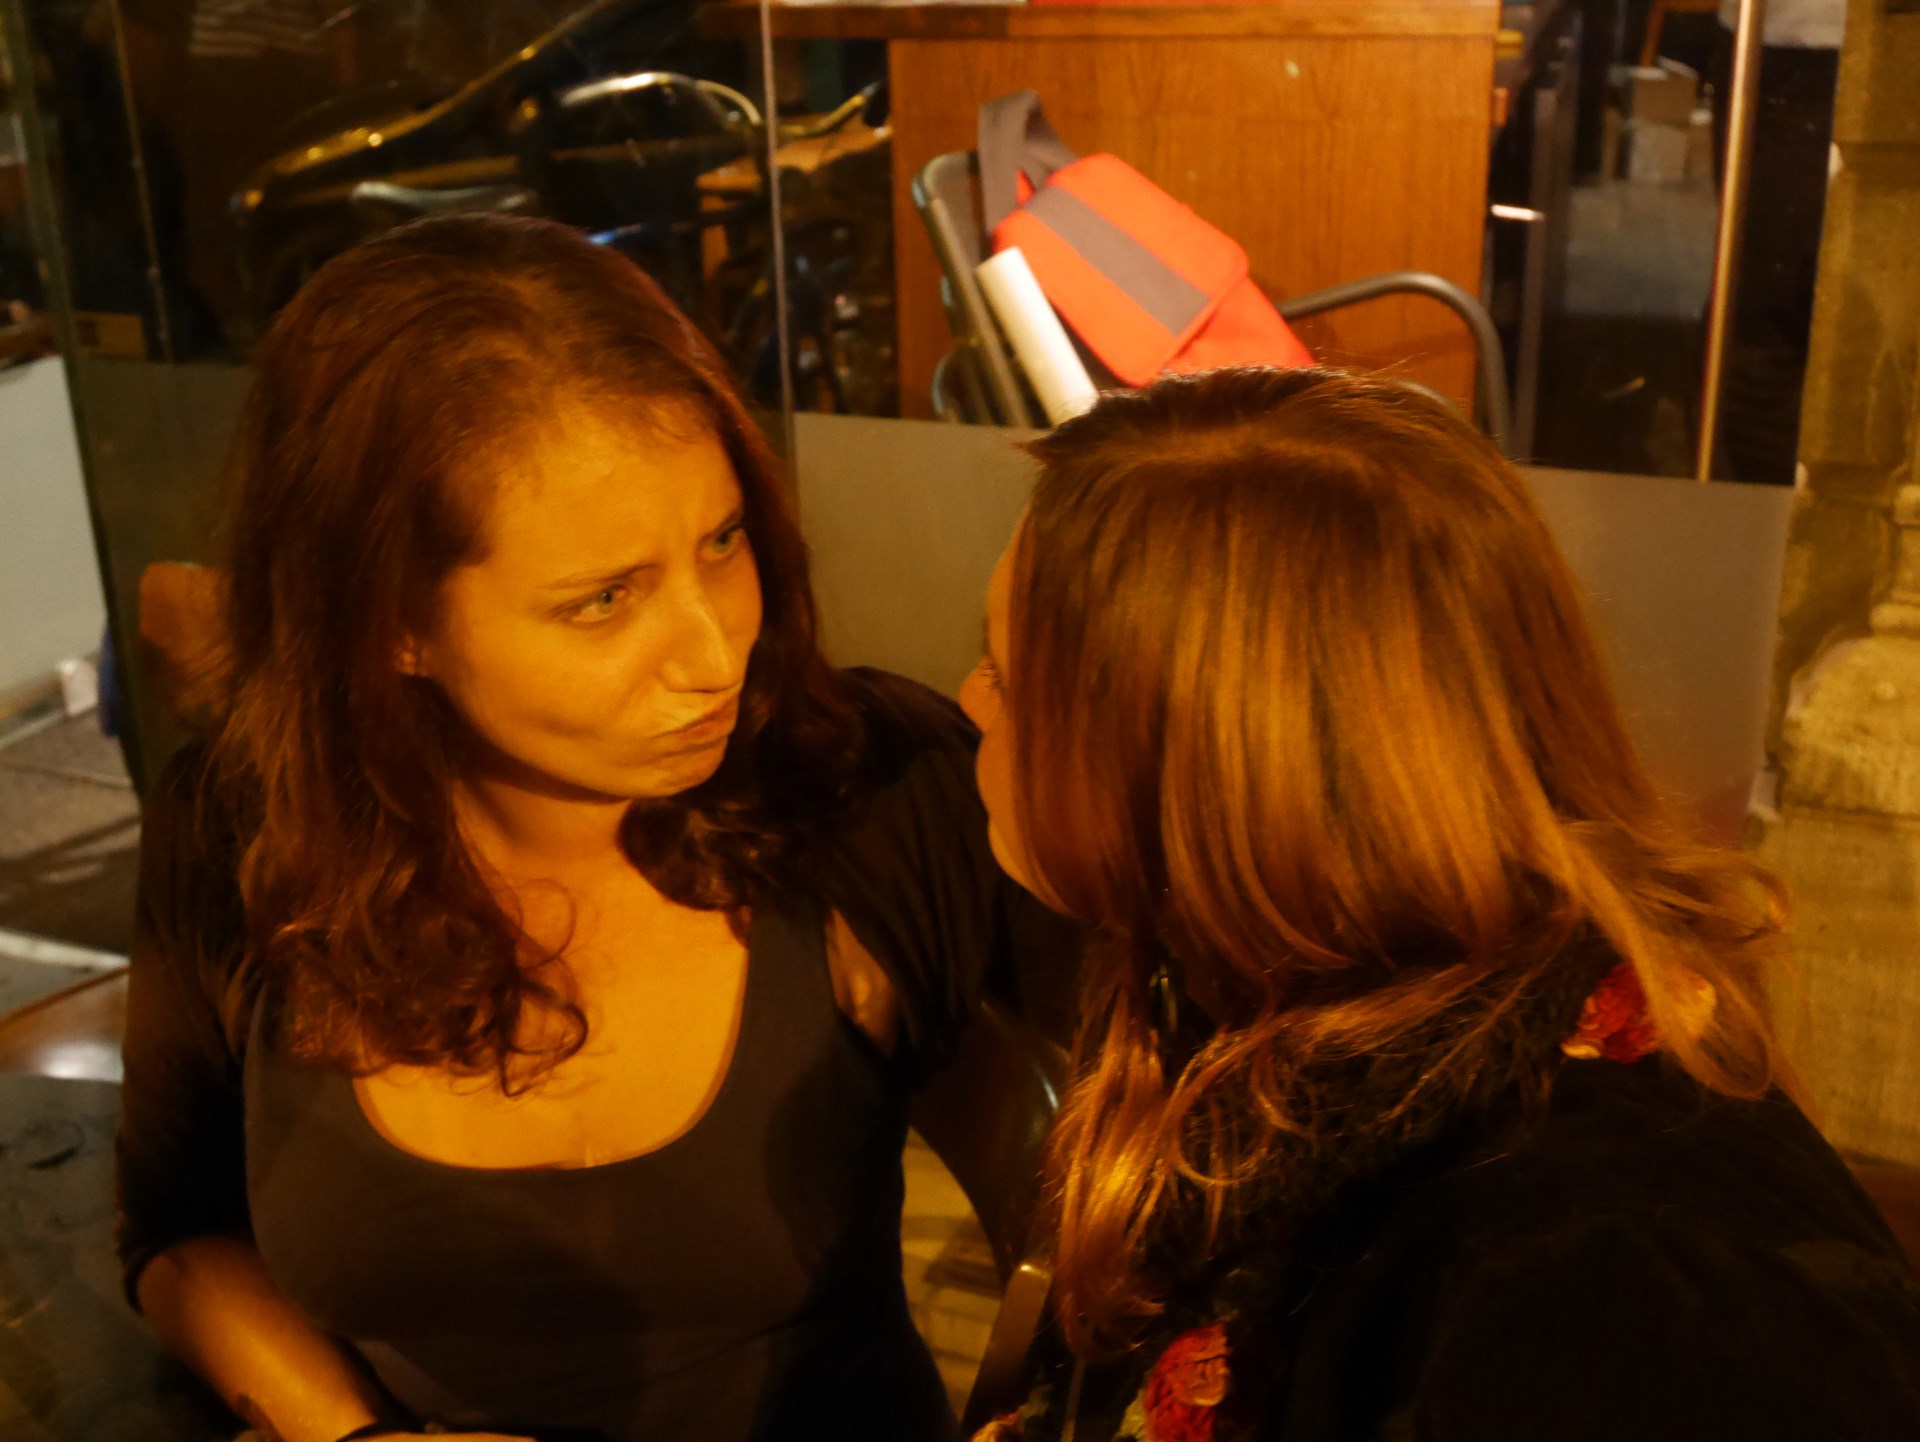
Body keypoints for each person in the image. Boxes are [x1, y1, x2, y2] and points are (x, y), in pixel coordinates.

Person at [116, 212, 1073, 1442]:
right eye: (604, 598)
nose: (715, 652)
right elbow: (175, 1229)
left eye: (722, 540)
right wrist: (355, 1435)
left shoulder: (858, 787)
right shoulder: (245, 828)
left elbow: (1201, 1113)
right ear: (389, 623)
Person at [956, 368, 1920, 1441]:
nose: (967, 703)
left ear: (1204, 774)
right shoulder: (1262, 994)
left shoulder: (1617, 1285)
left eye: (1005, 677)